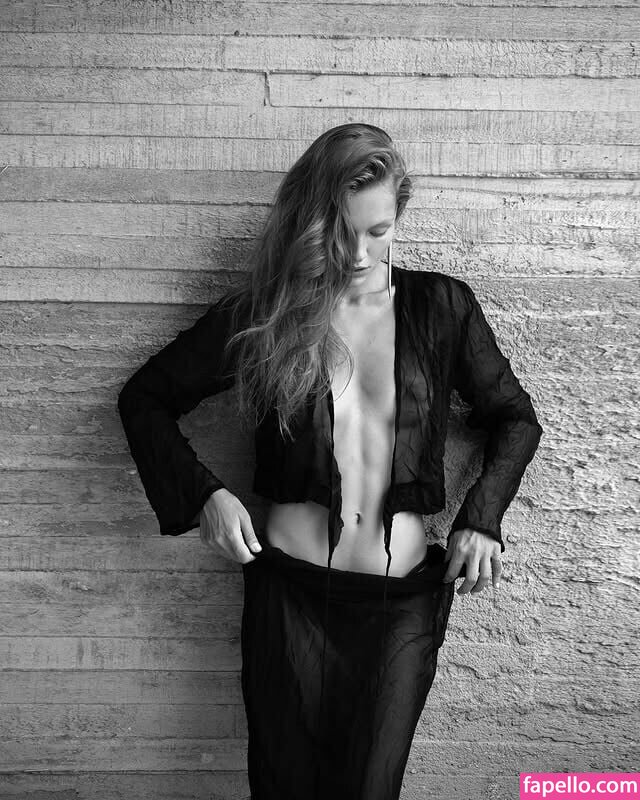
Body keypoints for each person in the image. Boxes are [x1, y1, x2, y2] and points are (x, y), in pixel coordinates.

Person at [117, 122, 543, 800]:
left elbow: (515, 419)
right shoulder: (267, 314)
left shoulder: (442, 307)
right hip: (290, 595)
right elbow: (145, 399)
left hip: (401, 603)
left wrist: (482, 517)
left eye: (379, 231)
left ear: (399, 215)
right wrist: (203, 495)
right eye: (343, 232)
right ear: (312, 224)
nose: (360, 252)